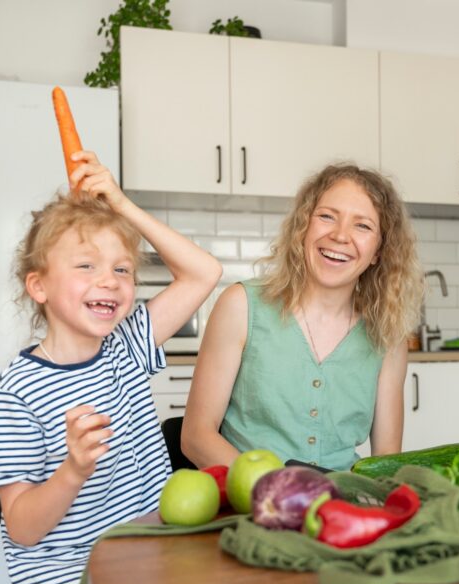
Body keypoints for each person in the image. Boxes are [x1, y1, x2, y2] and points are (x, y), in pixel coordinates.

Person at [0, 150, 222, 584]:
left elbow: (205, 273)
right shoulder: (10, 399)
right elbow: (21, 527)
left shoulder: (126, 348)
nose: (109, 281)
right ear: (38, 286)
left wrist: (121, 205)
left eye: (121, 269)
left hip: (150, 575)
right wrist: (73, 471)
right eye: (86, 267)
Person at [182, 164, 424, 471]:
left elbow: (387, 460)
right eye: (326, 216)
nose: (339, 235)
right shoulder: (240, 306)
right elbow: (195, 437)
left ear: (379, 251)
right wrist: (274, 489)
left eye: (362, 226)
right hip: (250, 504)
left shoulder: (388, 335)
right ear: (303, 227)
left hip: (338, 505)